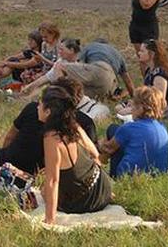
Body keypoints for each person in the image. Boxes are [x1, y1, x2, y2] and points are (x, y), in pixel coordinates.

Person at [0, 76, 99, 176]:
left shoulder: (40, 118)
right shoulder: (84, 124)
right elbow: (93, 158)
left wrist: (4, 159)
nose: (39, 105)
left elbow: (10, 136)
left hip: (9, 165)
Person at [38, 85, 112, 225]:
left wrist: (50, 219)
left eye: (40, 103)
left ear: (48, 111)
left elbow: (53, 181)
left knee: (44, 191)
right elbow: (95, 154)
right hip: (103, 187)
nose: (37, 107)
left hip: (86, 201)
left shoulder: (51, 138)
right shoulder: (73, 125)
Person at [99, 86, 168, 177]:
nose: (131, 109)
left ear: (140, 108)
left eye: (133, 105)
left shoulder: (129, 128)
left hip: (127, 176)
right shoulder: (163, 128)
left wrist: (100, 144)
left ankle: (103, 170)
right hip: (158, 176)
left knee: (112, 130)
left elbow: (108, 148)